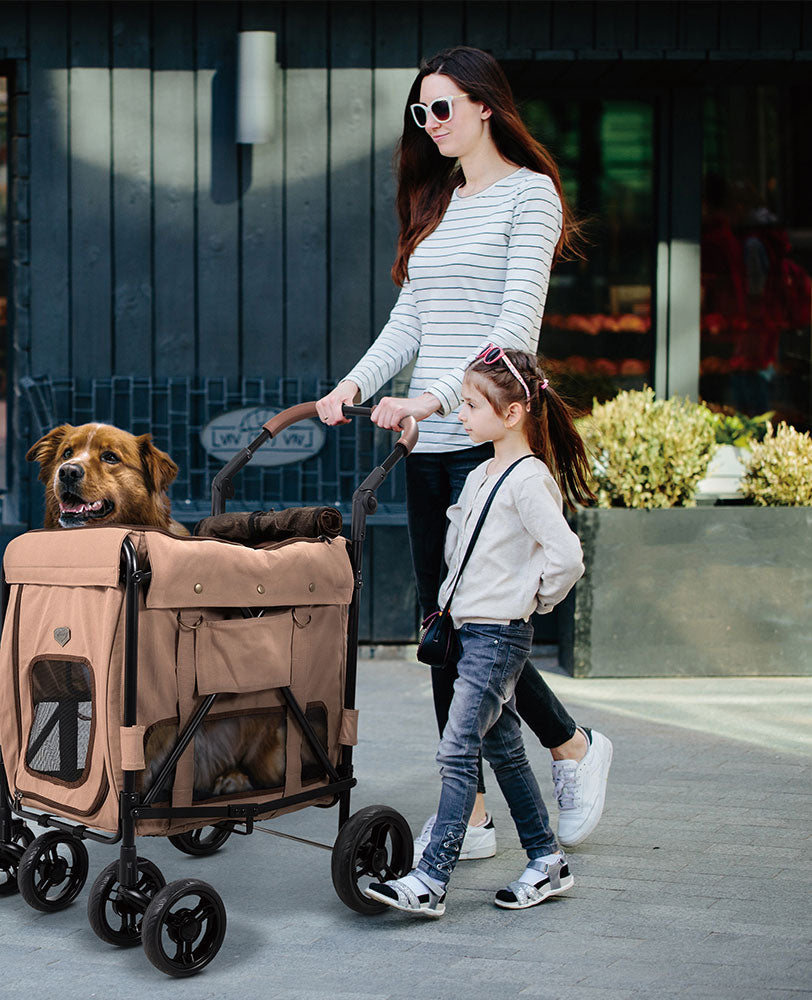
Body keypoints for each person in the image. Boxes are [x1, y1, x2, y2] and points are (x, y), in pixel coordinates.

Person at [314, 46, 611, 859]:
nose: (430, 124)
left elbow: (514, 328)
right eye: (421, 112)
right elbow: (410, 322)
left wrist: (434, 397)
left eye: (442, 107)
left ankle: (567, 752)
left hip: (492, 442)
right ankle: (479, 807)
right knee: (446, 623)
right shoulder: (439, 199)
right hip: (428, 439)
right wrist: (354, 384)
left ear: (486, 107)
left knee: (479, 625)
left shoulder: (530, 196)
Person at [364, 345, 592, 916]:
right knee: (505, 750)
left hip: (498, 636)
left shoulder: (528, 479)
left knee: (457, 746)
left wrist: (530, 600)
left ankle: (431, 878)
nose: (460, 415)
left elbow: (566, 555)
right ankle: (547, 860)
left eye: (470, 405)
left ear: (512, 413)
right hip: (469, 631)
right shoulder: (482, 475)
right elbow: (461, 551)